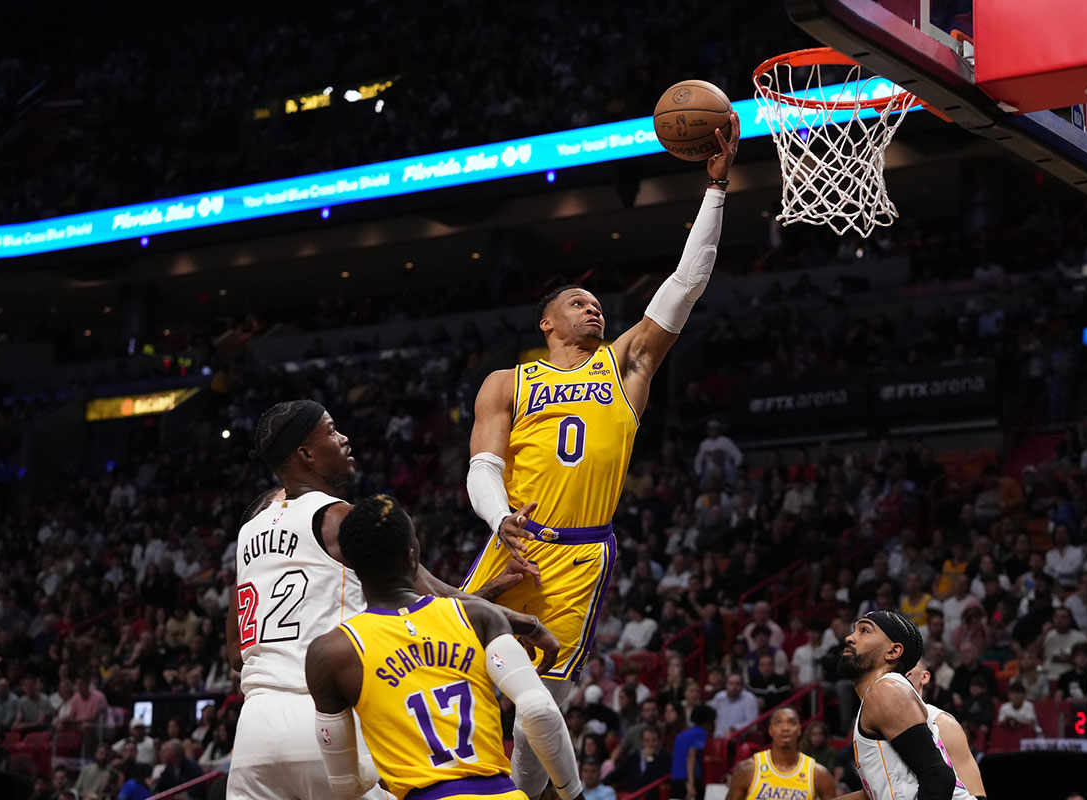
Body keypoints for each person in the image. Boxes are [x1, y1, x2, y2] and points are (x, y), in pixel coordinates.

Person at [462, 117, 739, 800]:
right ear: (547, 324)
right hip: (511, 541)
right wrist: (500, 520)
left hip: (580, 556)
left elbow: (683, 284)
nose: (593, 310)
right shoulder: (508, 382)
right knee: (447, 671)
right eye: (576, 303)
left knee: (542, 703)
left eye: (595, 303)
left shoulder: (626, 367)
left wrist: (716, 188)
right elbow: (483, 470)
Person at [228, 402, 556, 800]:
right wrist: (524, 624)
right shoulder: (342, 520)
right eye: (331, 432)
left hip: (253, 735)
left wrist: (486, 596)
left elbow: (235, 652)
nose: (344, 438)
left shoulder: (249, 533)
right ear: (306, 454)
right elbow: (434, 596)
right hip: (324, 721)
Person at [305, 494, 582, 800]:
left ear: (350, 564)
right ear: (413, 557)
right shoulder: (477, 616)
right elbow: (539, 711)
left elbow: (345, 786)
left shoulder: (333, 652)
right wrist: (573, 795)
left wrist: (382, 764)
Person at [835, 610, 974, 800]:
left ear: (893, 651)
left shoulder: (885, 690)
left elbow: (938, 777)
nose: (850, 638)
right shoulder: (883, 696)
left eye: (864, 631)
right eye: (854, 630)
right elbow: (874, 794)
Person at [906, 657, 987, 799]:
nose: (900, 672)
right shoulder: (874, 726)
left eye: (908, 667)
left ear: (924, 677)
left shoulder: (944, 725)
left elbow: (976, 794)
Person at [724, 707, 836, 800]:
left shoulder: (819, 774)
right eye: (778, 723)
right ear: (770, 730)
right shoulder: (747, 770)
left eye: (791, 723)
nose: (785, 728)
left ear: (799, 730)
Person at [670, 705, 715, 800]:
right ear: (709, 721)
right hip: (690, 780)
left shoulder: (681, 735)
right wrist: (691, 784)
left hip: (675, 780)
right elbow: (691, 756)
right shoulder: (701, 733)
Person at [709, 673, 760, 738]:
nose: (734, 687)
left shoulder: (750, 699)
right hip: (718, 738)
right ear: (726, 685)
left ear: (742, 686)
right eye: (731, 683)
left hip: (738, 740)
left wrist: (735, 728)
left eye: (737, 684)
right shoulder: (719, 697)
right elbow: (708, 710)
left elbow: (753, 724)